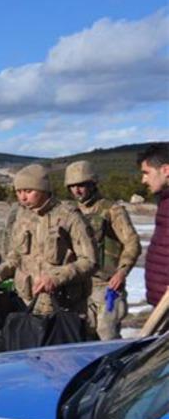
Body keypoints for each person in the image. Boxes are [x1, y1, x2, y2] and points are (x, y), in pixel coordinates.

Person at [0, 164, 96, 342]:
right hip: (28, 305)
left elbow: (89, 261)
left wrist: (56, 278)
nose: (23, 197)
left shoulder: (69, 217)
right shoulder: (22, 216)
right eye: (18, 192)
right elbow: (16, 257)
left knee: (62, 361)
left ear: (43, 189)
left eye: (28, 191)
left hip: (63, 308)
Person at [65, 160, 141, 340]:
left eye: (81, 185)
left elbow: (132, 242)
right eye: (73, 186)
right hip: (78, 285)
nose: (77, 190)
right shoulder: (70, 211)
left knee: (107, 335)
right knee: (80, 335)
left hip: (106, 285)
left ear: (92, 183)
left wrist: (122, 272)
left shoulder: (112, 210)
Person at [138, 143, 169, 309]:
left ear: (165, 170)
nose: (143, 180)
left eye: (146, 173)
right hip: (162, 305)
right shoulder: (165, 202)